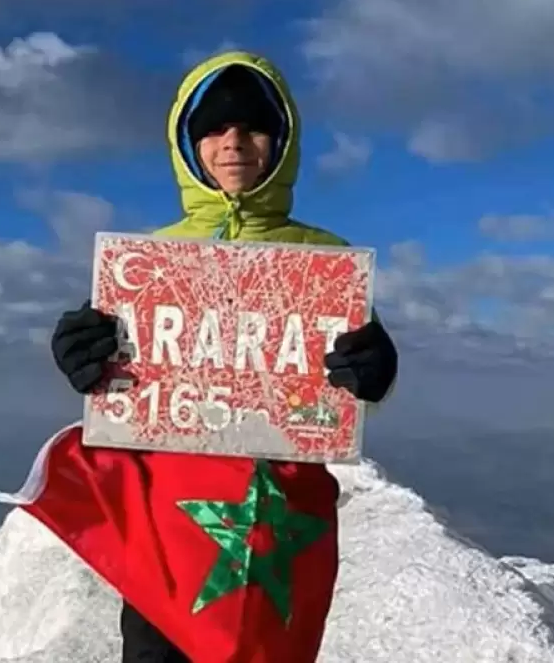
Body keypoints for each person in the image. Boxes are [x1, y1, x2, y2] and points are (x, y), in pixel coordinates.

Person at [50, 50, 398, 663]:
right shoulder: (147, 261)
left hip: (279, 528)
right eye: (212, 128)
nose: (232, 142)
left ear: (283, 141)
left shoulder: (325, 261)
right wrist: (80, 354)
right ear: (187, 144)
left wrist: (376, 370)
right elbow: (119, 376)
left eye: (252, 126)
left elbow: (351, 389)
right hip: (166, 533)